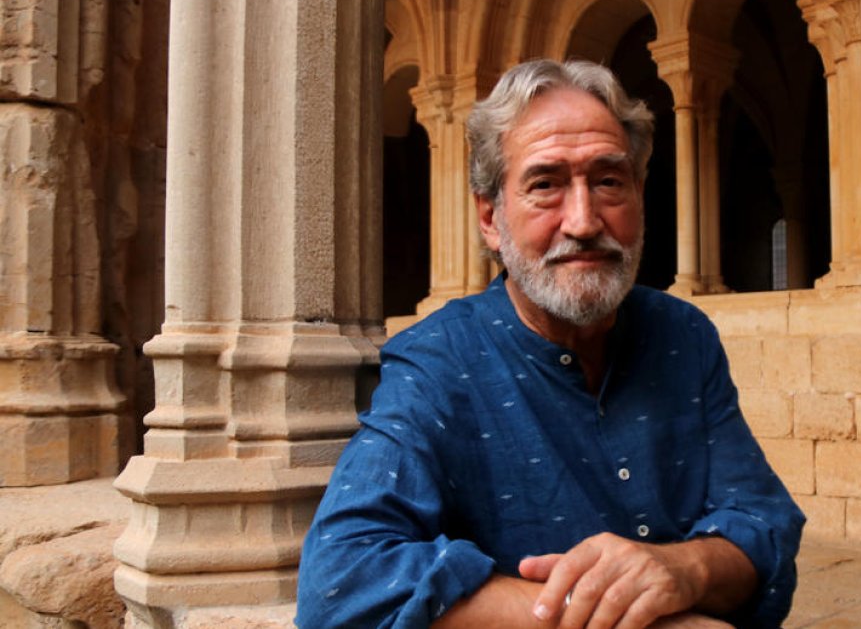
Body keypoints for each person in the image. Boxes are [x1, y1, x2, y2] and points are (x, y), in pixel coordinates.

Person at [295, 59, 805, 629]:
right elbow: (341, 578)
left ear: (639, 196)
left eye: (609, 180)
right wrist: (599, 616)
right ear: (491, 218)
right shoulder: (439, 361)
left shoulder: (684, 337)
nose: (584, 221)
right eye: (545, 185)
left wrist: (685, 568)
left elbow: (764, 520)